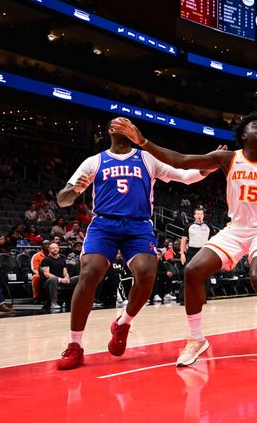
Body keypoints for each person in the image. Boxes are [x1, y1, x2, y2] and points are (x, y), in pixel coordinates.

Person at [112, 113, 257, 371]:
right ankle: (196, 339)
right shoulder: (227, 159)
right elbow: (181, 161)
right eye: (255, 126)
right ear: (243, 135)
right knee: (193, 270)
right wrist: (144, 142)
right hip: (235, 230)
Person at [54, 118, 217, 370]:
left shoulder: (147, 158)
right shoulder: (94, 161)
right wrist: (74, 190)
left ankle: (123, 323)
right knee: (89, 273)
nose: (123, 126)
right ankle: (75, 345)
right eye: (118, 124)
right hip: (104, 225)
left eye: (127, 123)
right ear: (109, 131)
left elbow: (185, 176)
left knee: (146, 274)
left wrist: (208, 166)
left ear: (134, 131)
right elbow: (62, 200)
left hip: (138, 225)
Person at [40, 242, 78, 312]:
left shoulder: (62, 259)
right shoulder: (46, 260)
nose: (55, 249)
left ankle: (81, 301)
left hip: (62, 280)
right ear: (49, 250)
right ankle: (53, 303)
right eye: (52, 248)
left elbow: (65, 272)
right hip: (49, 282)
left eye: (56, 248)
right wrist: (60, 279)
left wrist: (67, 278)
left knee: (80, 278)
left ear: (58, 249)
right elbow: (46, 274)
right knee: (53, 279)